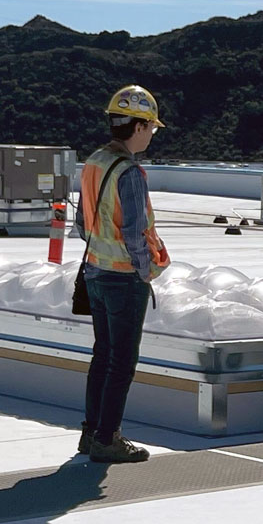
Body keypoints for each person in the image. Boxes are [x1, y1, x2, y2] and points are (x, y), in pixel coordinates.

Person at [75, 85, 170, 463]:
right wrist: (146, 271)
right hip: (123, 279)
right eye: (152, 127)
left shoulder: (95, 162)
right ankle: (107, 438)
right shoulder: (129, 172)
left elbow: (84, 223)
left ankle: (91, 431)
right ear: (139, 126)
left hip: (96, 273)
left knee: (102, 355)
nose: (152, 134)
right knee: (121, 362)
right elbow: (134, 232)